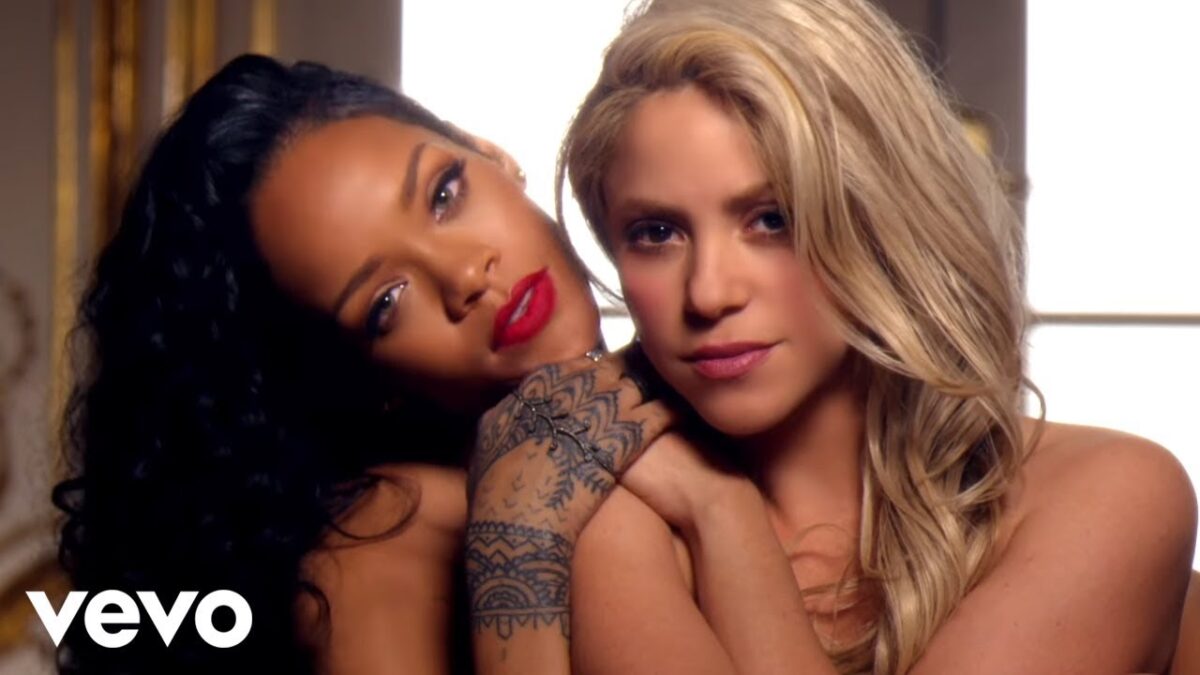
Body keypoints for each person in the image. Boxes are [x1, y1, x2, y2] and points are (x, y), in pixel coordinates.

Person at [558, 0, 1198, 672]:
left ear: (879, 215)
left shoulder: (1106, 493)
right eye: (656, 233)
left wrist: (721, 510)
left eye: (772, 219)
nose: (708, 293)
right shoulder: (614, 522)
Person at [53, 54, 673, 675]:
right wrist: (517, 539)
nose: (464, 275)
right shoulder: (384, 542)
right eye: (387, 303)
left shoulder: (645, 406)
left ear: (491, 155)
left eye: (444, 195)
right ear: (362, 382)